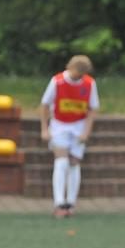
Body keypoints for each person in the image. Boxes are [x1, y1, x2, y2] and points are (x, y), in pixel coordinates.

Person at [40, 55, 99, 218]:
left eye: (82, 74)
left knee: (74, 163)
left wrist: (86, 132)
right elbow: (44, 105)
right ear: (70, 68)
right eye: (76, 73)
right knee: (61, 161)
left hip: (78, 126)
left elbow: (93, 109)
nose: (78, 77)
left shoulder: (89, 84)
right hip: (59, 125)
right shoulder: (57, 81)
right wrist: (45, 129)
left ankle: (71, 203)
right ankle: (59, 202)